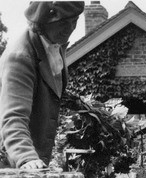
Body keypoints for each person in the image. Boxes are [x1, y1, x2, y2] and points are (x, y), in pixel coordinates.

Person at [0, 1, 84, 169]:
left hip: (36, 159)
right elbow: (13, 117)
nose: (70, 29)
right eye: (62, 23)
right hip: (9, 160)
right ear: (42, 23)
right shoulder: (21, 57)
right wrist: (26, 157)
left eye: (74, 21)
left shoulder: (54, 45)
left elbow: (49, 89)